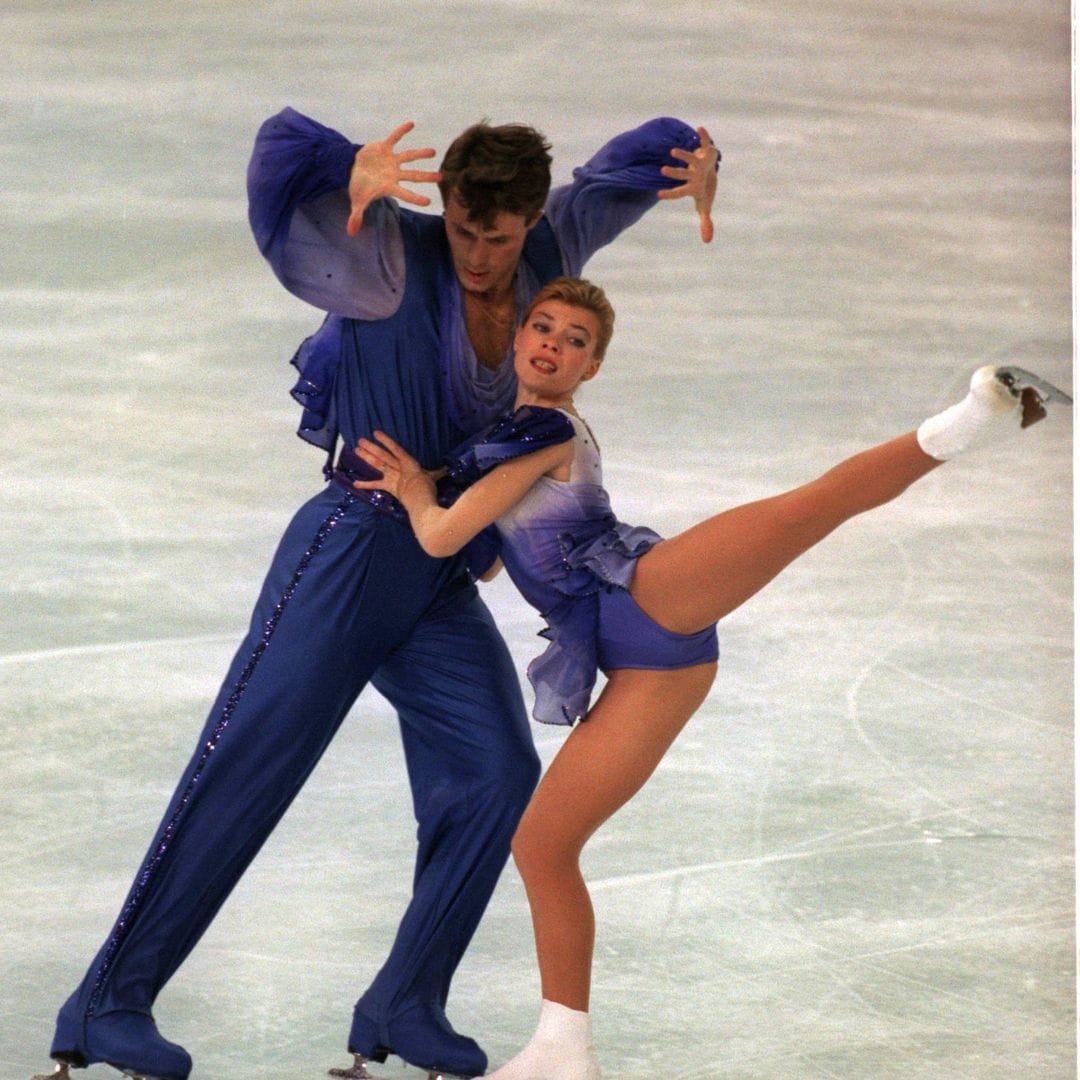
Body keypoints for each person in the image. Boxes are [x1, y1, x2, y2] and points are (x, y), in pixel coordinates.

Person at [32, 112, 719, 1080]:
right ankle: (108, 1001)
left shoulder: (549, 249)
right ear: (445, 206)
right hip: (349, 553)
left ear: (528, 221)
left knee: (495, 774)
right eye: (467, 230)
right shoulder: (385, 257)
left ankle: (406, 998)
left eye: (501, 237)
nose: (481, 257)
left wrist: (692, 156)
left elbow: (620, 172)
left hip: (434, 582)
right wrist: (336, 162)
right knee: (247, 765)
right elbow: (272, 165)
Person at [348, 276, 1071, 1080]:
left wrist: (417, 491)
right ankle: (563, 1052)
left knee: (809, 509)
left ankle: (975, 418)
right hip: (644, 663)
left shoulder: (546, 428)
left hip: (648, 591)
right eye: (542, 327)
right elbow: (489, 557)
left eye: (576, 339)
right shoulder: (507, 434)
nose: (553, 342)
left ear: (592, 368)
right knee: (543, 843)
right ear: (517, 339)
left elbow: (446, 537)